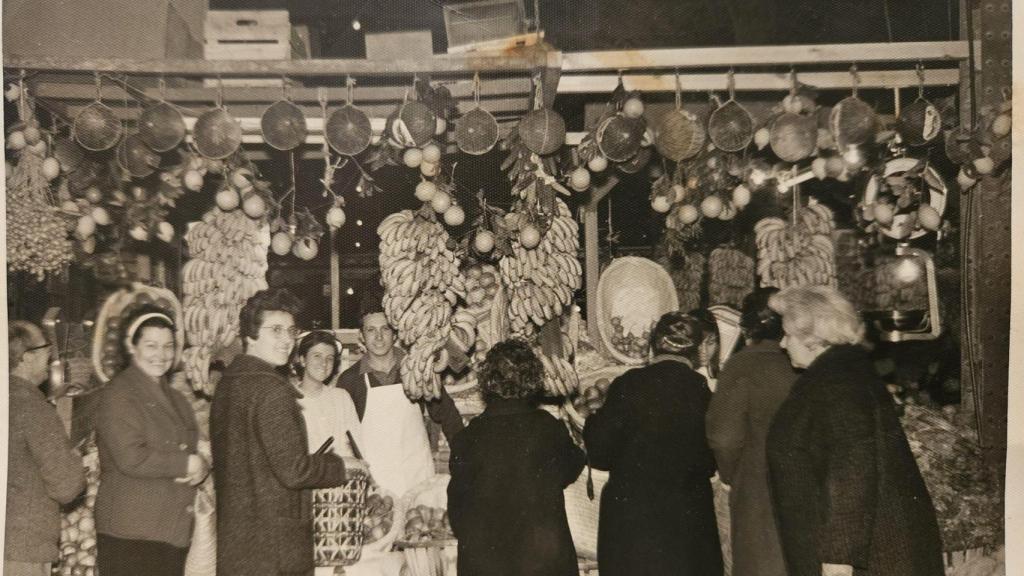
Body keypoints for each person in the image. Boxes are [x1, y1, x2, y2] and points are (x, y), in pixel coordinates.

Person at [765, 286, 944, 576]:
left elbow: (852, 470)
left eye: (787, 334)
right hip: (870, 552)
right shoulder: (840, 373)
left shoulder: (838, 384)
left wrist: (838, 559)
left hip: (869, 559)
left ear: (813, 338)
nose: (783, 344)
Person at [211, 288, 364, 576]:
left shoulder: (228, 384)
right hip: (275, 549)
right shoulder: (271, 389)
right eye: (276, 330)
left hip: (239, 545)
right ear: (251, 335)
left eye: (291, 330)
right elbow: (294, 470)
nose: (287, 340)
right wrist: (341, 465)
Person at [584, 312, 723, 576]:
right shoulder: (703, 391)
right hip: (686, 521)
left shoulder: (628, 384)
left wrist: (593, 419)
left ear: (652, 346)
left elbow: (599, 453)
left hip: (631, 522)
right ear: (696, 353)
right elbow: (710, 462)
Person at [447, 339, 585, 576]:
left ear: (487, 382)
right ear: (533, 379)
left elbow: (457, 510)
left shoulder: (468, 437)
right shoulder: (548, 428)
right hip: (542, 563)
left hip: (486, 565)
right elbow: (571, 467)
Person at [93, 307, 207, 576]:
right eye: (151, 345)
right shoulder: (119, 393)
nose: (162, 355)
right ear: (133, 347)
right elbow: (131, 457)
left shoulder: (176, 397)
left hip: (169, 528)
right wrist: (188, 463)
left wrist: (202, 465)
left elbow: (190, 448)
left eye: (168, 346)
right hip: (132, 533)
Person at [706, 288, 797, 576]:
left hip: (757, 489)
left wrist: (732, 477)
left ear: (745, 327)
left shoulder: (742, 364)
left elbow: (723, 436)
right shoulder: (805, 362)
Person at [336, 300, 464, 496]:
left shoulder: (416, 369)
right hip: (375, 483)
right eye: (371, 330)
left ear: (394, 333)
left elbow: (447, 414)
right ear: (361, 336)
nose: (379, 337)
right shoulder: (350, 380)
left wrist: (463, 458)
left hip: (418, 477)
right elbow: (343, 435)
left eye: (385, 329)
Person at [6, 321, 86, 576]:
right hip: (23, 549)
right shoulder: (33, 406)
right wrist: (74, 458)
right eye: (45, 349)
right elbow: (66, 486)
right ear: (27, 357)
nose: (50, 356)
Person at [289, 330, 363, 457]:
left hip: (346, 475)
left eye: (330, 358)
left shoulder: (341, 397)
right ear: (302, 360)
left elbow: (358, 444)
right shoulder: (289, 400)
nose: (324, 363)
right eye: (317, 356)